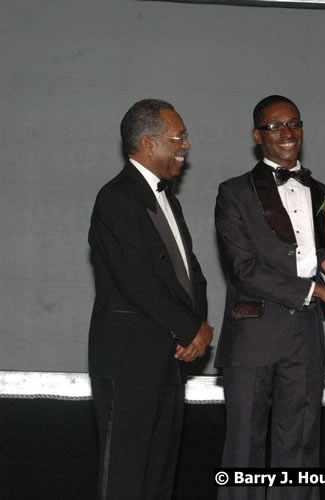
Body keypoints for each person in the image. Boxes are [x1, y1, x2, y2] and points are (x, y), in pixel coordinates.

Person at [214, 95, 325, 500]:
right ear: (257, 135)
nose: (287, 133)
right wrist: (321, 291)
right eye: (275, 126)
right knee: (243, 454)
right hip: (252, 337)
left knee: (299, 453)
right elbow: (243, 270)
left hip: (305, 337)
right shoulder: (234, 193)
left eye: (294, 124)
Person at [88, 98, 214, 499]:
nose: (186, 146)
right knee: (126, 476)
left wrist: (197, 331)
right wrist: (191, 327)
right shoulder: (116, 198)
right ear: (148, 144)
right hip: (130, 362)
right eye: (179, 138)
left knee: (159, 476)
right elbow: (135, 279)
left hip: (170, 360)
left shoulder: (169, 200)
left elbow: (190, 275)